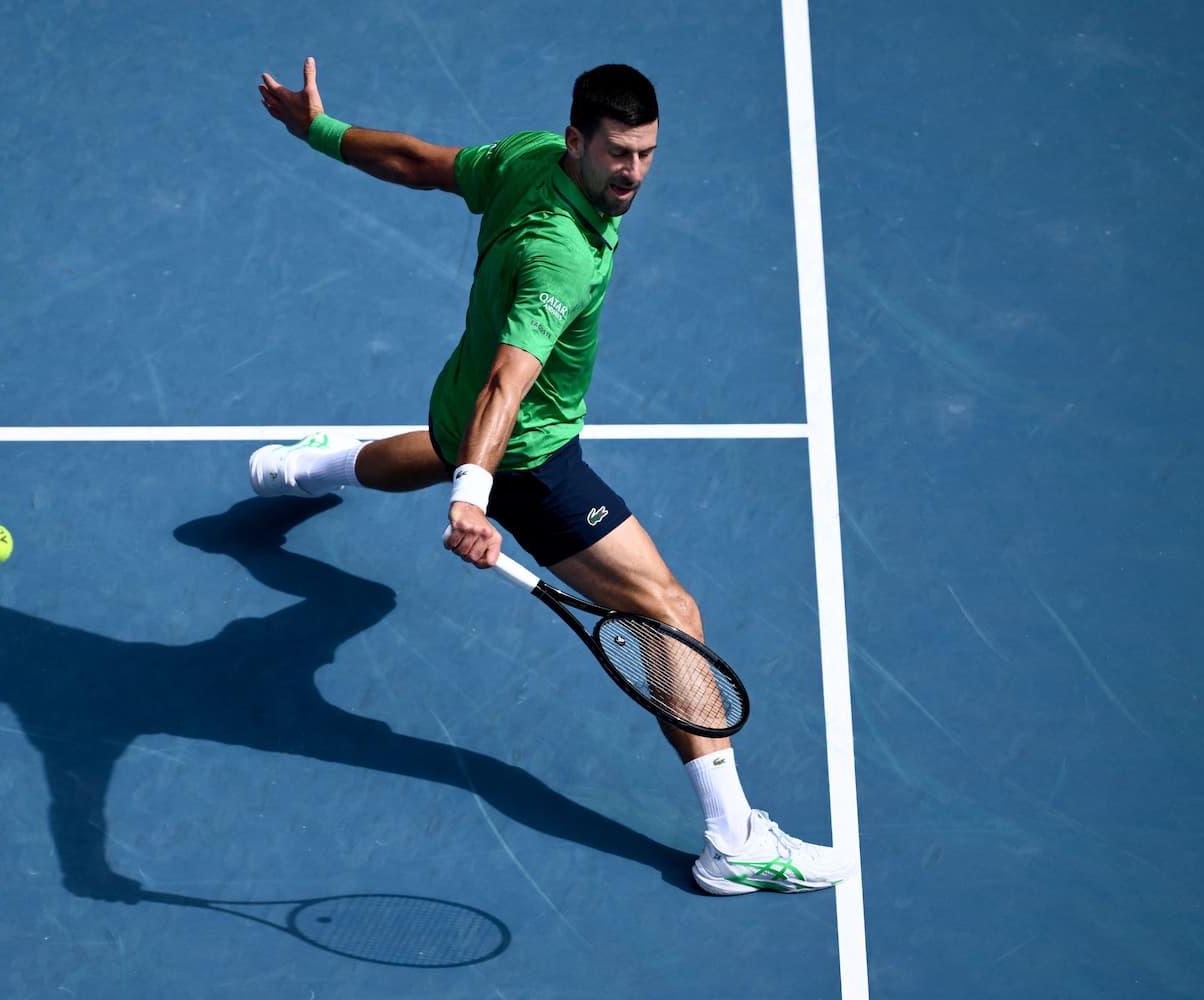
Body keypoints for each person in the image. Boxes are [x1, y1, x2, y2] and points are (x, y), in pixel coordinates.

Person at [247, 58, 854, 895]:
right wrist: (474, 494)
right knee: (669, 613)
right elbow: (510, 380)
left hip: (460, 409)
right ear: (579, 141)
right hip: (526, 456)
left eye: (645, 153)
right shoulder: (560, 256)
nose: (633, 173)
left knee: (441, 446)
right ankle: (734, 840)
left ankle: (303, 466)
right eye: (618, 155)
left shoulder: (529, 156)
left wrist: (316, 128)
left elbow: (420, 163)